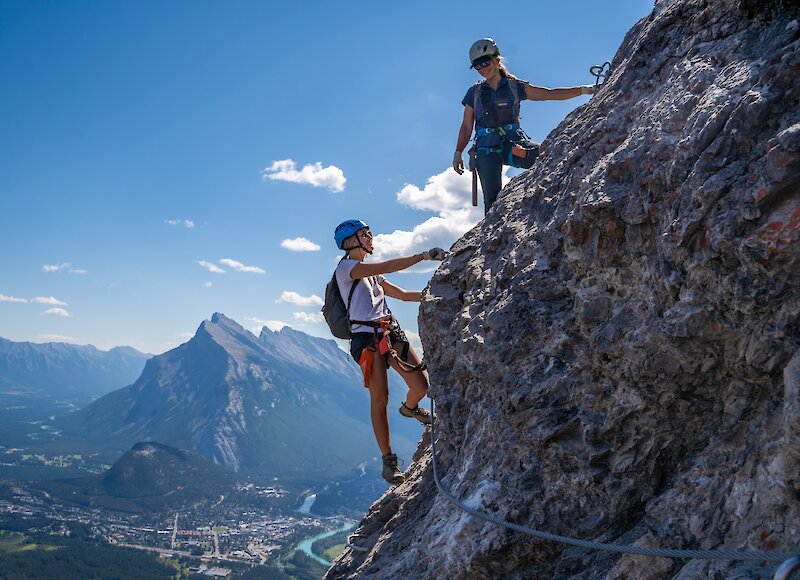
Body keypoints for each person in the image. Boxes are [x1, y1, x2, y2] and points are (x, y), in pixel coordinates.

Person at [333, 219, 445, 485]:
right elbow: (388, 266)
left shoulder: (371, 275)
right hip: (366, 339)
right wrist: (424, 256)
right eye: (365, 234)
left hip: (389, 332)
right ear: (351, 241)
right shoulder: (347, 269)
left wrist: (437, 294)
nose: (371, 237)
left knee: (421, 385)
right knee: (380, 398)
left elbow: (404, 295)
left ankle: (410, 408)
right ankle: (388, 462)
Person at [453, 38, 597, 213]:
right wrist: (458, 152)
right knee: (492, 200)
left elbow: (550, 94)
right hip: (486, 149)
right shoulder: (474, 93)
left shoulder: (515, 87)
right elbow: (467, 126)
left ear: (496, 59)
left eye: (485, 62)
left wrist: (584, 90)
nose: (483, 68)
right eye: (478, 66)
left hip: (513, 144)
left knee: (547, 159)